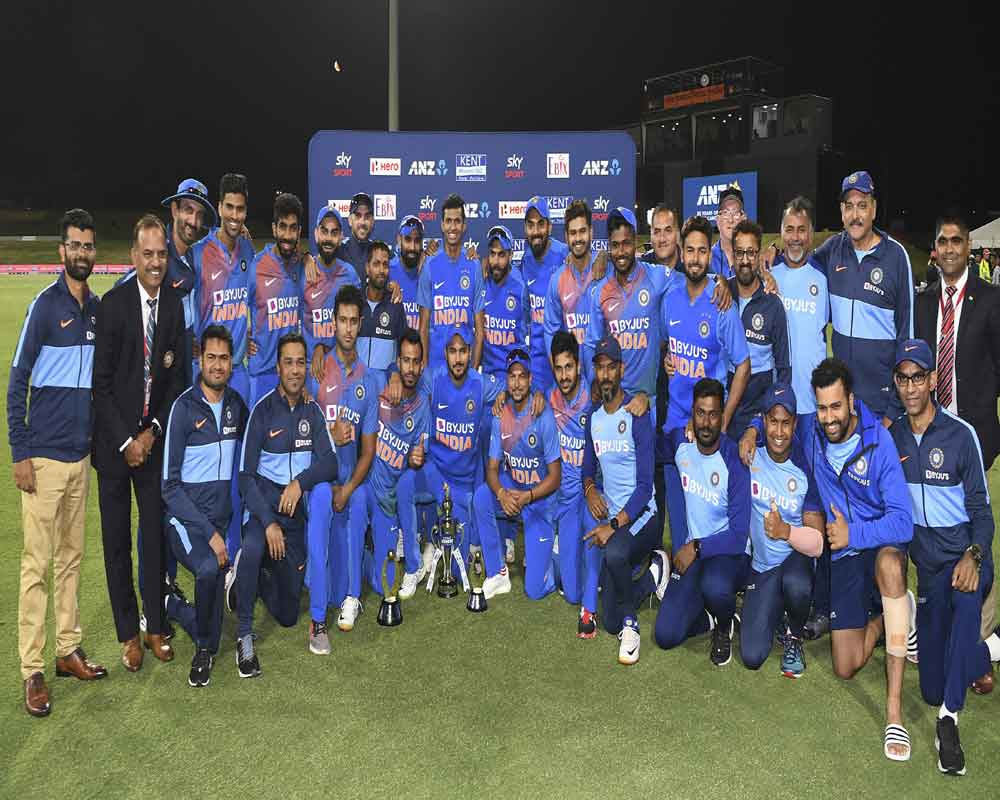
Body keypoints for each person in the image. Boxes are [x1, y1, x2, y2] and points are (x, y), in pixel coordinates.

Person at [739, 358, 914, 761]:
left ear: (851, 402)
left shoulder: (878, 442)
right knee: (844, 665)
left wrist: (857, 533)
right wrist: (751, 429)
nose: (829, 417)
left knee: (889, 566)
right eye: (822, 408)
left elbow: (903, 522)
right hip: (844, 555)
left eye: (836, 406)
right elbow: (775, 421)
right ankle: (891, 616)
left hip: (877, 542)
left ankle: (893, 713)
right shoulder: (813, 434)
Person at [10, 208, 106, 716]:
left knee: (70, 560)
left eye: (89, 246)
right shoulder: (44, 309)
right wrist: (20, 452)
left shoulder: (96, 312)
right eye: (75, 245)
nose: (83, 253)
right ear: (61, 252)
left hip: (79, 457)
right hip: (43, 460)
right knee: (36, 566)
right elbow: (16, 384)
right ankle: (32, 670)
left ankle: (67, 648)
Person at [889, 338, 997, 775]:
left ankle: (947, 723)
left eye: (919, 377)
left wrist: (974, 555)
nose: (912, 387)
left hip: (966, 558)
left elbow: (983, 515)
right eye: (903, 378)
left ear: (933, 380)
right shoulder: (892, 436)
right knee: (932, 683)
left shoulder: (960, 434)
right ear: (896, 383)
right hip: (929, 572)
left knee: (968, 602)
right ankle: (990, 648)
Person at [92, 214, 186, 672]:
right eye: (147, 254)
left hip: (152, 445)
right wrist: (127, 439)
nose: (154, 263)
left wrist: (150, 435)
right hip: (113, 448)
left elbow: (176, 384)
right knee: (116, 545)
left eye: (161, 255)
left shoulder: (175, 306)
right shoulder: (112, 306)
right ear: (133, 256)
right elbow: (101, 387)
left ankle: (155, 626)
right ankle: (128, 634)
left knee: (153, 538)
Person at [913, 213, 1000, 690]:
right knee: (935, 529)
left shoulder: (990, 300)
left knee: (975, 530)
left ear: (969, 247)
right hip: (930, 435)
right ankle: (940, 628)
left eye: (956, 241)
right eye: (942, 241)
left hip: (976, 436)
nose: (948, 248)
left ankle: (979, 643)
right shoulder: (926, 304)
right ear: (935, 249)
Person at [764, 171, 914, 423]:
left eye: (862, 206)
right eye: (849, 207)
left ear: (874, 209)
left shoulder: (896, 257)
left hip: (882, 401)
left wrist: (895, 407)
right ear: (842, 212)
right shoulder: (833, 250)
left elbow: (906, 336)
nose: (856, 215)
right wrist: (771, 252)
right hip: (840, 400)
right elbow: (799, 259)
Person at [232, 333, 338, 677]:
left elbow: (331, 464)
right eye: (288, 363)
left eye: (300, 363)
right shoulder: (262, 412)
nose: (295, 370)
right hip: (264, 511)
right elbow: (245, 477)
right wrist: (267, 521)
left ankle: (256, 575)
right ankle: (244, 635)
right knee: (252, 547)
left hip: (295, 517)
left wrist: (299, 484)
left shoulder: (312, 410)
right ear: (278, 368)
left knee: (290, 614)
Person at [162, 325, 248, 686]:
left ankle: (185, 610)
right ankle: (201, 645)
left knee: (217, 590)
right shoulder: (182, 409)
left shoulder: (236, 406)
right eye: (211, 357)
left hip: (222, 520)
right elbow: (169, 487)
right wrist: (211, 533)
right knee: (208, 570)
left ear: (232, 363)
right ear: (200, 360)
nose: (217, 365)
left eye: (224, 359)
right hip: (185, 521)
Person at [581, 337, 668, 666]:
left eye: (610, 367)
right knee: (608, 621)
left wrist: (613, 525)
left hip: (643, 515)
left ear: (621, 369)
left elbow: (646, 488)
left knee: (615, 550)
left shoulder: (637, 414)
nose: (605, 374)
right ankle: (650, 578)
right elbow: (587, 470)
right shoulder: (594, 417)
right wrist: (590, 489)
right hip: (616, 520)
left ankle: (632, 629)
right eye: (600, 367)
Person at [395, 327, 504, 584]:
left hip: (462, 487)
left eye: (463, 352)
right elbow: (405, 373)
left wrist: (504, 396)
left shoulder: (480, 384)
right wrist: (393, 377)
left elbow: (510, 388)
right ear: (445, 353)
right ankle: (413, 567)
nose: (457, 358)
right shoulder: (433, 378)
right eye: (453, 351)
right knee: (404, 485)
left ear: (470, 354)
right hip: (433, 475)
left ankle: (444, 535)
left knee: (457, 573)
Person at [654, 378, 750, 667]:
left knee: (715, 585)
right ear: (691, 415)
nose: (706, 422)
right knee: (666, 635)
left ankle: (723, 625)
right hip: (697, 554)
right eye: (700, 413)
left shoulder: (733, 460)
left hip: (729, 554)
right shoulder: (681, 443)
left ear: (722, 417)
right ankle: (711, 615)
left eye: (712, 414)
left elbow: (738, 534)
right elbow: (647, 447)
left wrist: (695, 547)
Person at [739, 384, 824, 677]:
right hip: (760, 568)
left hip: (792, 563)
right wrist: (750, 432)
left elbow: (817, 544)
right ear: (763, 421)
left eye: (785, 423)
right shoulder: (750, 456)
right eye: (773, 421)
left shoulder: (802, 470)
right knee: (752, 655)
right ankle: (775, 611)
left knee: (797, 585)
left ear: (795, 424)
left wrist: (785, 531)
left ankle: (794, 635)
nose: (778, 431)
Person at [308, 285, 379, 634]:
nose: (348, 328)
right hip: (321, 481)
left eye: (354, 321)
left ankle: (354, 596)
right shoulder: (318, 371)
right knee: (323, 589)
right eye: (343, 321)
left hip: (351, 485)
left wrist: (349, 489)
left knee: (363, 495)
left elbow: (369, 451)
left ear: (360, 323)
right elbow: (303, 436)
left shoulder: (369, 379)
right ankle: (329, 583)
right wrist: (327, 438)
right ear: (333, 323)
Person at [474, 349, 562, 599]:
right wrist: (501, 493)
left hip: (539, 501)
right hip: (513, 490)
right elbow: (492, 468)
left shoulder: (543, 416)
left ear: (530, 378)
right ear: (506, 380)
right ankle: (498, 573)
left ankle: (556, 555)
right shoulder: (500, 415)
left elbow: (555, 477)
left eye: (522, 376)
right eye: (512, 376)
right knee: (482, 497)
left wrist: (528, 497)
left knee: (534, 591)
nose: (517, 382)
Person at [357, 329, 432, 610]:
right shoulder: (380, 382)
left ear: (421, 365)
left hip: (388, 501)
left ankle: (373, 549)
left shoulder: (422, 407)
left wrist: (417, 457)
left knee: (382, 584)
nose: (410, 368)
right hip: (366, 488)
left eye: (415, 362)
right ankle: (358, 546)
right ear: (397, 362)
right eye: (405, 361)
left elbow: (421, 449)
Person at [547, 332, 601, 637]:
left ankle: (591, 606)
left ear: (578, 367)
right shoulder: (548, 400)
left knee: (594, 538)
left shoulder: (592, 400)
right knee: (570, 591)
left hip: (590, 494)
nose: (564, 375)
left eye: (569, 367)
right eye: (559, 368)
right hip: (565, 500)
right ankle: (562, 555)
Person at [189, 173, 254, 404]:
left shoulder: (248, 250)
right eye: (229, 207)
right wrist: (187, 339)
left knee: (242, 440)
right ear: (219, 207)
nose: (235, 215)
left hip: (237, 371)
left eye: (240, 209)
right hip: (205, 369)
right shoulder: (198, 253)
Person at [727, 219, 790, 437]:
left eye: (751, 253)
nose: (745, 260)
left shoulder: (773, 305)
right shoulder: (721, 293)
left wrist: (760, 424)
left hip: (755, 419)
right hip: (720, 412)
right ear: (733, 255)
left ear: (758, 255)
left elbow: (783, 372)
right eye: (740, 253)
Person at [247, 193, 304, 406]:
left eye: (293, 228)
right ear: (274, 228)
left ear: (299, 232)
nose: (287, 235)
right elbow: (232, 305)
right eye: (283, 227)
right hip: (262, 374)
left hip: (291, 376)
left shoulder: (303, 267)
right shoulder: (257, 266)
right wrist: (241, 340)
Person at [417, 193, 486, 371]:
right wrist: (424, 366)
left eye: (457, 221)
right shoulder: (430, 265)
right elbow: (423, 325)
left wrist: (473, 370)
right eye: (448, 221)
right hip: (435, 367)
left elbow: (479, 330)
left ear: (464, 226)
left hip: (464, 368)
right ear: (442, 224)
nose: (452, 227)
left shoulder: (474, 265)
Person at [544, 200, 599, 386]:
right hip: (573, 386)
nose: (578, 239)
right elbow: (550, 333)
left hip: (602, 383)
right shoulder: (557, 280)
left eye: (582, 231)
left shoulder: (606, 272)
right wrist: (563, 378)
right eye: (573, 233)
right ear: (566, 237)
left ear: (591, 232)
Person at [302, 206, 362, 372]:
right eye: (324, 231)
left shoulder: (350, 274)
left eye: (334, 232)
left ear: (341, 237)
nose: (328, 238)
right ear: (316, 233)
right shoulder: (304, 272)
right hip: (310, 372)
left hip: (343, 369)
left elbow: (357, 323)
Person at [520, 196, 569, 393]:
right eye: (531, 225)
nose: (536, 231)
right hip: (538, 363)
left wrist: (603, 257)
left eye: (541, 224)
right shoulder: (525, 259)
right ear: (525, 230)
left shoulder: (565, 254)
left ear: (549, 227)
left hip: (566, 361)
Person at [354, 240, 407, 378]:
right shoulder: (355, 302)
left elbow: (404, 347)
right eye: (376, 264)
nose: (381, 270)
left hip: (385, 388)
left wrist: (395, 370)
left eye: (385, 265)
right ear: (367, 268)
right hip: (356, 385)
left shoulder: (395, 304)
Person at [390, 214, 426, 330]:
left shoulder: (430, 271)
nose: (412, 247)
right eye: (408, 239)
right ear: (399, 239)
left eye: (417, 240)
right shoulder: (387, 271)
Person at [710, 184, 745, 280]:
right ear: (717, 220)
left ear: (743, 219)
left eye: (736, 213)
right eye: (725, 213)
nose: (731, 220)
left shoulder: (752, 258)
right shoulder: (707, 257)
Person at [338, 192, 376, 272]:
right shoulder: (338, 250)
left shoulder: (380, 252)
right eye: (358, 216)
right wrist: (308, 258)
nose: (362, 222)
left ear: (372, 221)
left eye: (367, 216)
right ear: (350, 220)